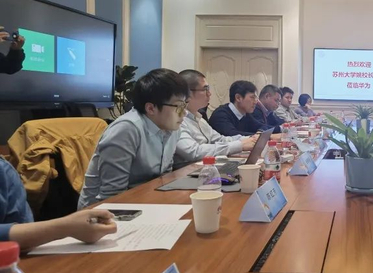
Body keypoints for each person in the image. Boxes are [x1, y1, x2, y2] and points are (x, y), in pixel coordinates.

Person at [78, 69, 189, 208]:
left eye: (185, 105)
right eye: (179, 106)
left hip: (145, 201)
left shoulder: (172, 129)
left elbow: (163, 179)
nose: (185, 113)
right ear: (151, 108)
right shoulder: (126, 130)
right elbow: (112, 196)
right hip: (100, 211)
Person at [0, 159, 116, 249]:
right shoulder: (4, 170)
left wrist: (68, 226)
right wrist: (66, 227)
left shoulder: (4, 171)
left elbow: (25, 239)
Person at [174, 70, 258, 169]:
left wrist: (249, 139)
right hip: (185, 171)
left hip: (204, 168)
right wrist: (239, 145)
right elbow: (194, 152)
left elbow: (220, 139)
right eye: (205, 89)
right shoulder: (177, 120)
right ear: (188, 93)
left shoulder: (200, 119)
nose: (209, 94)